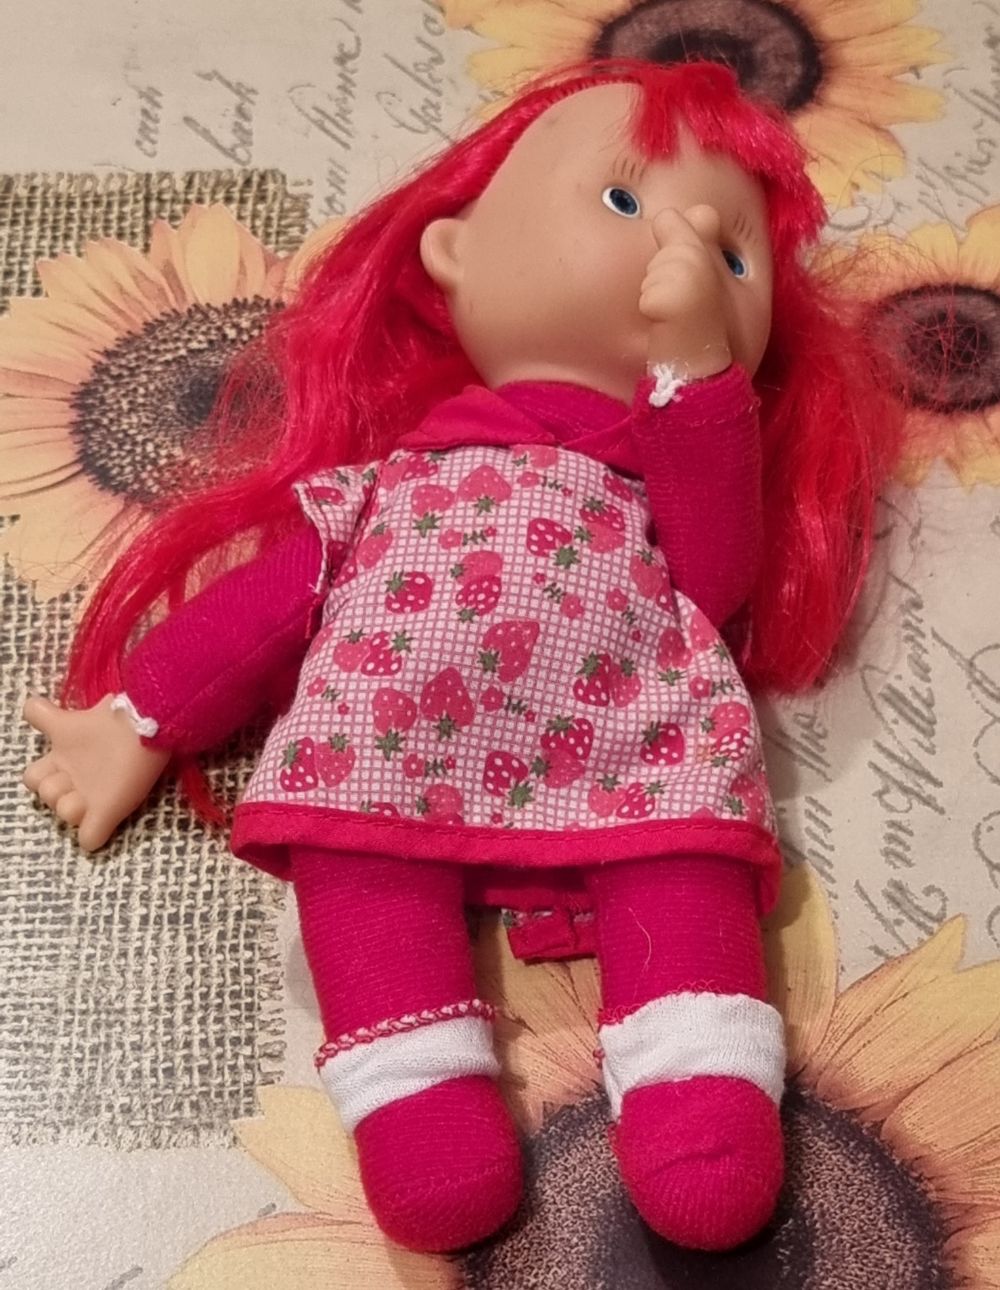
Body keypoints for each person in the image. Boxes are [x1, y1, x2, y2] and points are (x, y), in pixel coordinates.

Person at [21, 60, 900, 1254]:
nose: (679, 252)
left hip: (630, 744)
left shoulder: (659, 485)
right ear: (455, 254)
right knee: (355, 864)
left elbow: (714, 579)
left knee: (685, 850)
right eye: (624, 202)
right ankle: (415, 1099)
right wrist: (138, 717)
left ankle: (701, 1085)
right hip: (382, 749)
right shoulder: (387, 489)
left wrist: (693, 386)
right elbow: (270, 604)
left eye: (730, 254)